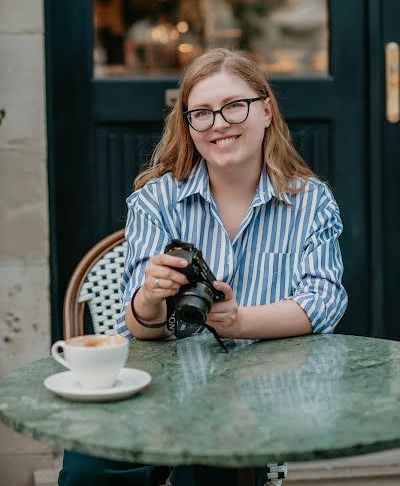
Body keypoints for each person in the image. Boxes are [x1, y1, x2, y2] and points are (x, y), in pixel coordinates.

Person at [59, 48, 347, 486]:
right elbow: (140, 326)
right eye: (202, 113)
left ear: (266, 110)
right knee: (87, 470)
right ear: (188, 126)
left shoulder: (309, 203)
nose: (219, 124)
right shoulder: (157, 201)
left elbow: (323, 300)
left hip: (256, 391)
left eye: (234, 106)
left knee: (213, 467)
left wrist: (238, 320)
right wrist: (152, 298)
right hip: (155, 388)